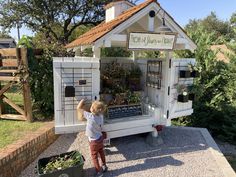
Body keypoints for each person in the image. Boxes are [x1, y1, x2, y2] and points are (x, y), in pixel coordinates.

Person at [77, 99, 108, 177]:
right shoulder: (101, 116)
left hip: (93, 141)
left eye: (91, 106)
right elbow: (97, 110)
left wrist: (82, 100)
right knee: (101, 152)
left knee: (94, 156)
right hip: (100, 138)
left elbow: (78, 108)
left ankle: (99, 172)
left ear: (92, 110)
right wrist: (94, 105)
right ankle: (104, 165)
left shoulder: (90, 116)